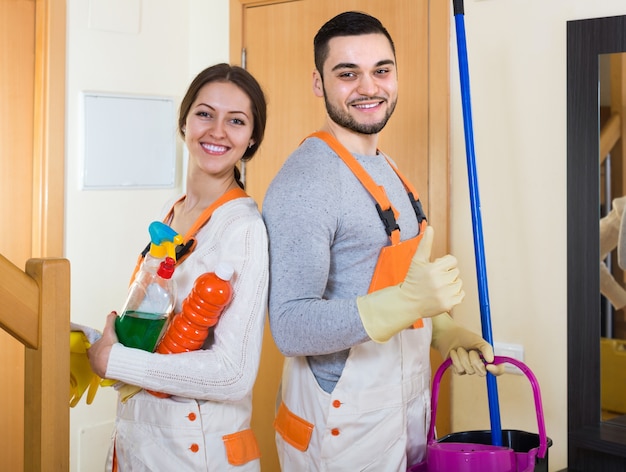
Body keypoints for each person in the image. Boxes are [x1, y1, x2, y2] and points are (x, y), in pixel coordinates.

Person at [262, 11, 504, 471]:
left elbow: (391, 285)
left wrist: (444, 330)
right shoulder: (306, 182)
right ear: (319, 83)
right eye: (347, 73)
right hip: (342, 430)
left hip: (401, 412)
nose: (368, 87)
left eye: (381, 70)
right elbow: (290, 326)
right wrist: (405, 303)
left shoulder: (387, 168)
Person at [87, 63, 269, 471]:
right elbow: (157, 328)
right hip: (142, 440)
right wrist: (93, 343)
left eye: (236, 121)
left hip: (197, 451)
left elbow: (232, 374)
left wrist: (113, 362)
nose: (217, 131)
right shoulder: (172, 214)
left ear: (251, 137)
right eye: (205, 113)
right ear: (184, 120)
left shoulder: (244, 229)